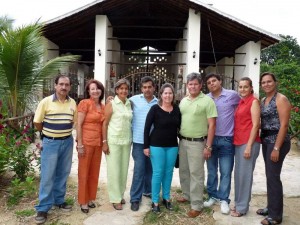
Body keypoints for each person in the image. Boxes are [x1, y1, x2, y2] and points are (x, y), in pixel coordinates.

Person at [33, 75, 77, 224]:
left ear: (70, 87)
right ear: (55, 85)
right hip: (51, 143)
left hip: (67, 142)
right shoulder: (46, 102)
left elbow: (74, 121)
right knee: (48, 174)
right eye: (61, 84)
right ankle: (43, 207)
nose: (64, 87)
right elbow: (37, 122)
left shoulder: (72, 103)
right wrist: (45, 134)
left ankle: (59, 200)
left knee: (63, 173)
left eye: (67, 85)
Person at [177, 72, 217, 218]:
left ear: (200, 85)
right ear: (187, 86)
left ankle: (197, 204)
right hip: (183, 141)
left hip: (198, 143)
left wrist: (208, 146)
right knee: (184, 171)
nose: (192, 86)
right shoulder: (183, 101)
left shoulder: (207, 101)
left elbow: (212, 126)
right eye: (190, 84)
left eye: (195, 84)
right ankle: (187, 195)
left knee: (196, 174)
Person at [257, 72, 291, 225]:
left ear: (275, 82)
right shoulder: (264, 100)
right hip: (266, 141)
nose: (266, 84)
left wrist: (277, 147)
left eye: (269, 81)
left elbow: (284, 125)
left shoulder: (281, 99)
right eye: (263, 82)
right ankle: (271, 208)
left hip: (277, 142)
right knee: (270, 175)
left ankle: (276, 216)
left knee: (273, 177)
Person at [204, 73, 240, 214]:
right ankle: (212, 196)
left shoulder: (232, 95)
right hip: (211, 140)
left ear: (220, 82)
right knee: (212, 171)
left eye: (214, 81)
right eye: (209, 82)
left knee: (225, 171)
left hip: (227, 140)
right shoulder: (206, 99)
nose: (212, 84)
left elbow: (245, 103)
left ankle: (224, 199)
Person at [143, 83, 181, 213]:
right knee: (158, 173)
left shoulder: (176, 109)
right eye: (165, 93)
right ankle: (155, 201)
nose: (168, 95)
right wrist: (146, 146)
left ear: (173, 94)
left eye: (170, 93)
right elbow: (147, 128)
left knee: (169, 172)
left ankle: (166, 198)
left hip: (172, 146)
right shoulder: (155, 109)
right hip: (156, 145)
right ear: (161, 95)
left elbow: (180, 127)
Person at [231, 77, 260, 217]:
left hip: (249, 143)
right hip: (239, 142)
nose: (242, 89)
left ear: (251, 88)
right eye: (240, 87)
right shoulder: (241, 102)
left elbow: (255, 125)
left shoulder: (253, 102)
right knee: (238, 175)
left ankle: (242, 208)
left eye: (245, 87)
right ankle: (238, 203)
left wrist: (249, 146)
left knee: (245, 176)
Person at [102, 78, 133, 210]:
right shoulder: (111, 104)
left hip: (126, 141)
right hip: (113, 141)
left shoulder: (129, 103)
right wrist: (104, 142)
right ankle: (114, 198)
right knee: (114, 170)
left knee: (123, 170)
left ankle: (120, 195)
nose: (123, 91)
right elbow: (105, 123)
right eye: (121, 88)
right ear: (116, 90)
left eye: (126, 88)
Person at [76, 79, 105, 213]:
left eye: (97, 88)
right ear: (88, 91)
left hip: (98, 144)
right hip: (86, 143)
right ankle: (83, 201)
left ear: (101, 90)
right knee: (84, 173)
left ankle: (91, 197)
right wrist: (80, 144)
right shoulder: (84, 103)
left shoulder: (103, 106)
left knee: (94, 172)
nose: (95, 91)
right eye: (92, 89)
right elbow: (79, 124)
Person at [129, 76, 158, 211]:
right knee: (139, 170)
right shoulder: (133, 100)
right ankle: (135, 198)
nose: (147, 89)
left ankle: (148, 191)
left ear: (154, 88)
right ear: (141, 88)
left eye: (149, 87)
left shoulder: (158, 102)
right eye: (144, 87)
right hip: (139, 142)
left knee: (151, 169)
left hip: (154, 142)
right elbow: (121, 105)